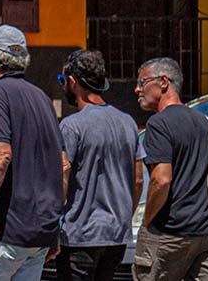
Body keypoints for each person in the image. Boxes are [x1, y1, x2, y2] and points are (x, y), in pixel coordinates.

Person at [0, 24, 65, 281]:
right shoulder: (41, 98)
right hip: (38, 234)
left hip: (4, 232)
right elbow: (61, 165)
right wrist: (52, 228)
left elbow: (0, 155)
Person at [132, 56, 208, 281]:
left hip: (170, 232)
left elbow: (161, 180)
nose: (137, 89)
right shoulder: (205, 121)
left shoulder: (158, 123)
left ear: (163, 82)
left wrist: (147, 222)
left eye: (142, 82)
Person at [56, 49, 142, 281]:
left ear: (73, 82)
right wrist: (124, 216)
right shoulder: (128, 122)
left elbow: (63, 174)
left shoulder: (72, 126)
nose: (62, 85)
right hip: (116, 236)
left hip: (80, 236)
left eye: (62, 80)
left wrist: (52, 223)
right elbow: (138, 179)